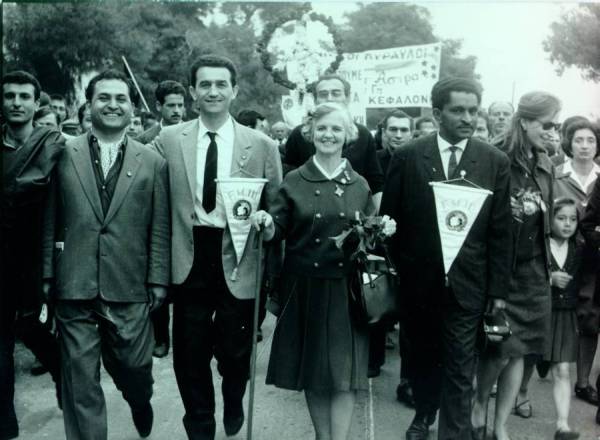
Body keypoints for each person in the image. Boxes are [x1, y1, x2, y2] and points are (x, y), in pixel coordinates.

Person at [152, 54, 282, 440]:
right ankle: (200, 425)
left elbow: (276, 204)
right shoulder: (170, 139)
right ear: (192, 92)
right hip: (190, 254)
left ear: (234, 90)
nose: (213, 91)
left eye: (220, 84)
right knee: (189, 354)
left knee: (235, 351)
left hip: (239, 254)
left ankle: (233, 396)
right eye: (204, 84)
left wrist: (269, 225)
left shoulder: (260, 145)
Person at [42, 69, 170, 440]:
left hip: (129, 284)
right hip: (75, 283)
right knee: (80, 383)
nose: (112, 105)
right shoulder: (63, 153)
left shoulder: (152, 162)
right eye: (104, 97)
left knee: (134, 367)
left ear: (131, 107)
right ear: (90, 103)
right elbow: (51, 217)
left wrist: (158, 278)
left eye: (120, 99)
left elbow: (158, 227)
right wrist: (48, 275)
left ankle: (139, 399)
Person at [381, 77, 512, 440]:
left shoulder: (494, 161)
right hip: (418, 282)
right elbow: (390, 221)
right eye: (458, 110)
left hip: (469, 284)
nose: (467, 117)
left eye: (473, 110)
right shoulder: (408, 156)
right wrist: (399, 272)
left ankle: (453, 433)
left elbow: (501, 231)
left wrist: (497, 290)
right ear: (438, 113)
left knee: (459, 366)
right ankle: (424, 412)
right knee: (422, 358)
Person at [255, 102, 395, 440]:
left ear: (348, 135)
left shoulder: (359, 184)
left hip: (346, 291)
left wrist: (381, 228)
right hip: (305, 287)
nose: (328, 135)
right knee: (315, 373)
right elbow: (278, 229)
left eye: (336, 129)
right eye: (322, 129)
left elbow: (369, 240)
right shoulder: (294, 179)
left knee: (344, 374)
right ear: (310, 133)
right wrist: (265, 224)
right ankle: (322, 436)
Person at [472, 91, 560, 440]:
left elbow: (547, 218)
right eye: (547, 123)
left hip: (535, 271)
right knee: (499, 349)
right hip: (502, 270)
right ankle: (479, 405)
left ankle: (500, 425)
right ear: (525, 122)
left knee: (521, 351)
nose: (553, 131)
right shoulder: (495, 158)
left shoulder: (546, 163)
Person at [1, 70, 64, 440]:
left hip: (35, 257)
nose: (16, 102)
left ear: (36, 102)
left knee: (35, 331)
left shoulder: (53, 145)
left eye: (24, 96)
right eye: (9, 95)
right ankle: (6, 427)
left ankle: (62, 375)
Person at [283, 73, 384, 207]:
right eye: (323, 94)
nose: (329, 98)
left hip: (352, 212)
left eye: (336, 93)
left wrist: (376, 223)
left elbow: (375, 182)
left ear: (347, 98)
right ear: (315, 99)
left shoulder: (363, 134)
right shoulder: (299, 134)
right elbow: (288, 179)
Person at [553, 119, 600, 406]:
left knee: (589, 317)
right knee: (560, 312)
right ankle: (550, 360)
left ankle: (582, 381)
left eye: (591, 140)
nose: (584, 146)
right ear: (569, 143)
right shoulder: (557, 175)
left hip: (594, 260)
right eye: (579, 140)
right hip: (565, 256)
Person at [545, 197, 582, 440]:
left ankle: (562, 425)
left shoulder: (579, 248)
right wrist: (549, 279)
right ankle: (523, 393)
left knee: (563, 369)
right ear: (550, 219)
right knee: (524, 364)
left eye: (573, 219)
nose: (567, 224)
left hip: (565, 314)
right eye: (561, 218)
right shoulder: (540, 244)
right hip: (540, 311)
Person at [137, 80, 186, 145]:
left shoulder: (195, 134)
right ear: (159, 106)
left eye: (180, 105)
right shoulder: (144, 140)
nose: (176, 110)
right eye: (171, 105)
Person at [375, 109, 413, 175]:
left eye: (404, 130)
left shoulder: (420, 161)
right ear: (384, 132)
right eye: (393, 129)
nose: (398, 135)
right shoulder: (373, 161)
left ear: (411, 134)